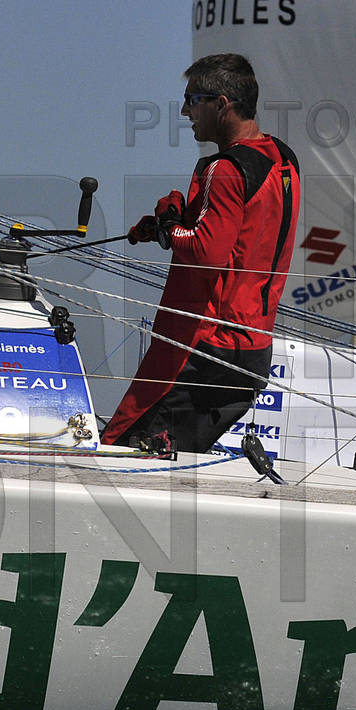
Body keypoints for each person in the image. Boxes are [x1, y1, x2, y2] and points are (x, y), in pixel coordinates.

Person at [102, 52, 301, 453]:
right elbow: (246, 235)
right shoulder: (283, 158)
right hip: (252, 351)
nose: (184, 111)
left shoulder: (223, 169)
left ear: (222, 104)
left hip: (203, 347)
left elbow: (206, 252)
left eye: (192, 100)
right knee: (170, 466)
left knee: (121, 447)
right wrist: (183, 218)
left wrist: (169, 227)